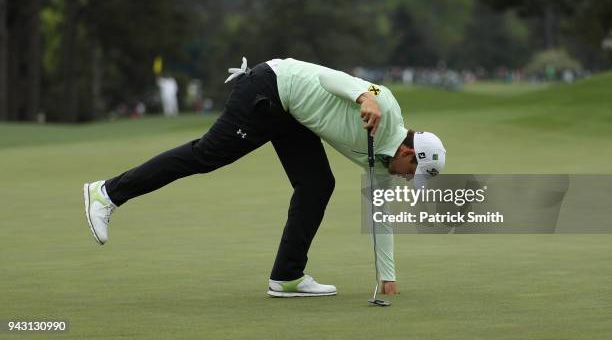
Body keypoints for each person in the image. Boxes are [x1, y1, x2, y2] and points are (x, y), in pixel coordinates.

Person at [84, 58, 446, 297]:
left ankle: (286, 276)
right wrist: (365, 96)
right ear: (408, 154)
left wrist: (387, 276)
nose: (405, 181)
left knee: (318, 184)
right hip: (269, 89)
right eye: (412, 174)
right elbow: (328, 77)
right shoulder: (386, 106)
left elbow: (381, 215)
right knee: (207, 155)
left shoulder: (383, 163)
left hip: (294, 114)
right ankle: (108, 192)